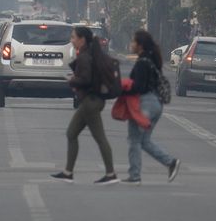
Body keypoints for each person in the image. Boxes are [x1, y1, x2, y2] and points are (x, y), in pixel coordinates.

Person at [51, 26, 118, 185]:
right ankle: (68, 172)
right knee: (71, 133)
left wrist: (71, 80)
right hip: (93, 101)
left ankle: (110, 173)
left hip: (90, 102)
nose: (71, 40)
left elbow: (86, 79)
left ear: (82, 40)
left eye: (73, 37)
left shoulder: (84, 57)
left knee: (99, 137)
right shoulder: (91, 55)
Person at [121, 30, 180, 186]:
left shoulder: (142, 63)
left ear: (139, 45)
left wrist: (123, 88)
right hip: (156, 104)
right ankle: (170, 162)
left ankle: (134, 176)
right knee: (144, 141)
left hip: (145, 103)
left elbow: (139, 86)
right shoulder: (152, 59)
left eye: (133, 42)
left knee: (134, 139)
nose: (130, 44)